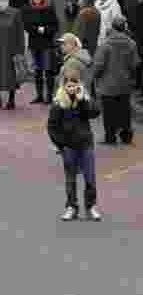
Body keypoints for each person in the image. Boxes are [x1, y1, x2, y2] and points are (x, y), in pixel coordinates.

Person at [47, 69, 102, 221]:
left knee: (90, 177)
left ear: (79, 85)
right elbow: (52, 126)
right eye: (69, 86)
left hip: (86, 143)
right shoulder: (59, 103)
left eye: (74, 86)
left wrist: (83, 99)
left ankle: (91, 207)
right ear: (64, 86)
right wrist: (61, 144)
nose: (71, 89)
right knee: (70, 179)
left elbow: (95, 112)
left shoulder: (84, 97)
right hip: (69, 146)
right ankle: (71, 207)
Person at [93, 15, 140, 146]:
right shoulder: (131, 44)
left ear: (113, 27)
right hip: (125, 84)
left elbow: (99, 65)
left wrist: (95, 77)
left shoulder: (106, 44)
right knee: (124, 110)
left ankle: (110, 137)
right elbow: (135, 64)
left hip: (108, 85)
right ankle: (126, 136)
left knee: (109, 113)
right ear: (124, 27)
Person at [22, 0, 59, 105]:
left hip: (47, 43)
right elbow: (26, 25)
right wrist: (37, 29)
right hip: (34, 43)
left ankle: (49, 96)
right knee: (37, 71)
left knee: (48, 71)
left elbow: (55, 26)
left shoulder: (49, 9)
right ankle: (39, 96)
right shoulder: (27, 9)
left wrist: (45, 29)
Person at [0, 0, 25, 109]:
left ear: (8, 0)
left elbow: (20, 34)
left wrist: (20, 52)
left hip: (11, 50)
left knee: (11, 75)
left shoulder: (15, 13)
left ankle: (11, 99)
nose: (1, 1)